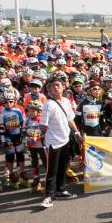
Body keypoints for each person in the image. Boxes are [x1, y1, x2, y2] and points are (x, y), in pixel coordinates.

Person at [38, 77, 78, 208]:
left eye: (58, 85)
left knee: (63, 167)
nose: (56, 87)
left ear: (63, 87)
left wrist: (76, 132)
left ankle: (60, 190)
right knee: (52, 170)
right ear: (49, 89)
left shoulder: (66, 101)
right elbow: (43, 125)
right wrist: (49, 135)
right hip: (53, 143)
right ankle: (48, 196)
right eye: (53, 86)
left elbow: (70, 119)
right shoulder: (48, 104)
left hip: (66, 140)